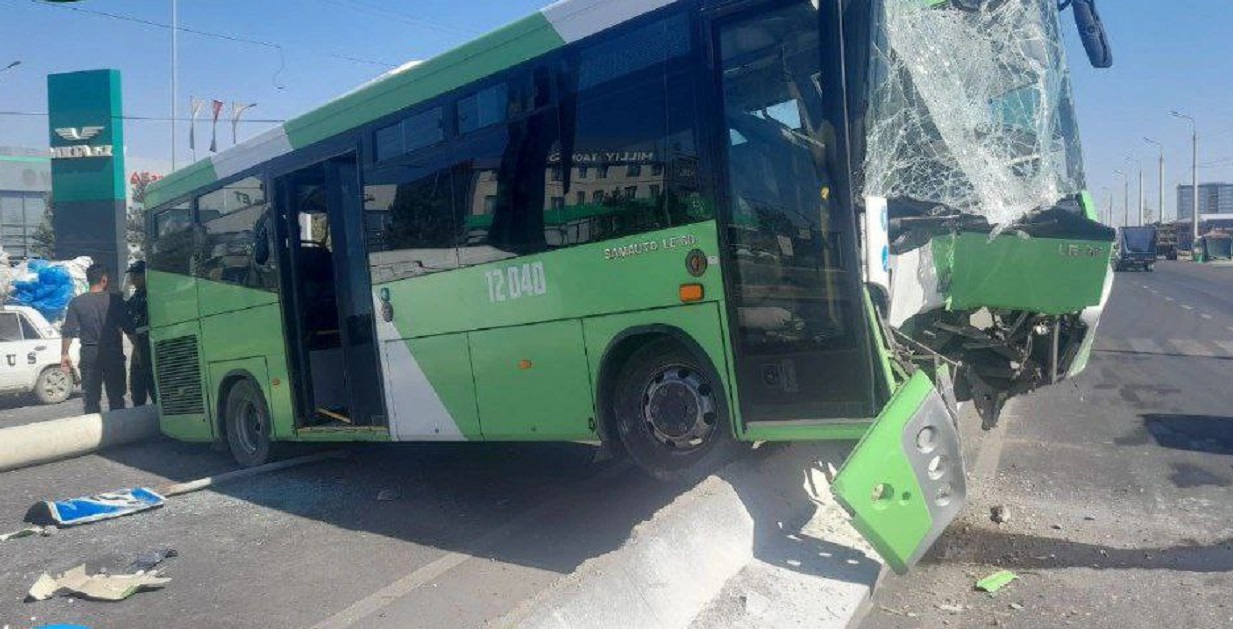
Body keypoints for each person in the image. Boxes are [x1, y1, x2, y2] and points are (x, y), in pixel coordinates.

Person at [62, 263, 131, 414]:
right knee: (116, 396)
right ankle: (118, 431)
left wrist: (64, 354)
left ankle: (93, 428)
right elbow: (129, 328)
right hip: (113, 352)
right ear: (104, 280)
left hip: (89, 354)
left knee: (91, 398)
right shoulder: (115, 300)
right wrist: (137, 348)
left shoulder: (77, 302)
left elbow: (68, 331)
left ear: (89, 280)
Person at [126, 261, 156, 406]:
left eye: (137, 274)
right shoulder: (136, 296)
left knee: (153, 382)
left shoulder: (153, 293)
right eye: (132, 274)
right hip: (137, 342)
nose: (133, 277)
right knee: (137, 385)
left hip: (149, 341)